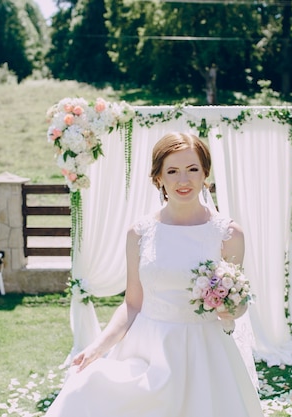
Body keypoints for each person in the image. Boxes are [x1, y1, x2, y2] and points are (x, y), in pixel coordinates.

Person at [44, 132, 263, 417]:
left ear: (205, 174)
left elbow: (240, 304)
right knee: (85, 391)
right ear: (158, 177)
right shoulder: (140, 233)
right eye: (172, 171)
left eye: (192, 169)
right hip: (148, 350)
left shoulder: (229, 234)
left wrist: (230, 307)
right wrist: (98, 347)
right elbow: (132, 303)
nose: (183, 181)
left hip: (205, 353)